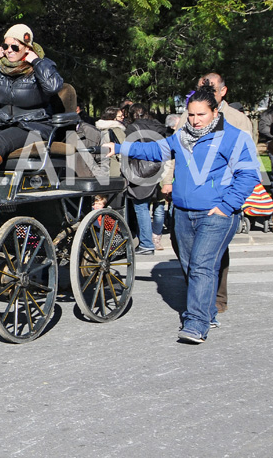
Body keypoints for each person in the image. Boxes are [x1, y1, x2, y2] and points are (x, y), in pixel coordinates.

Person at [104, 82, 260, 343]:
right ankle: (208, 311)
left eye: (201, 114)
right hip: (183, 213)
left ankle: (196, 324)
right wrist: (120, 148)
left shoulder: (234, 137)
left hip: (216, 214)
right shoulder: (182, 135)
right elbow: (155, 149)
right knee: (191, 266)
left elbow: (248, 175)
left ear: (215, 113)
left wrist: (226, 206)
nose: (196, 120)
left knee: (201, 266)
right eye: (191, 114)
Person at [163, 72, 256, 315]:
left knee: (213, 254)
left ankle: (215, 301)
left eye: (210, 88)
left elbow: (248, 162)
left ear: (223, 91)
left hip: (221, 197)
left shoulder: (238, 119)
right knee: (185, 248)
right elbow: (176, 148)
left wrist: (231, 201)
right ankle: (200, 298)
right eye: (197, 88)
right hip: (188, 194)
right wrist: (168, 180)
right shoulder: (190, 115)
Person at [0, 23, 64, 176]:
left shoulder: (42, 65)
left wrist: (36, 62)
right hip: (2, 122)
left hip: (33, 125)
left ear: (27, 48)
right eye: (6, 46)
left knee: (0, 142)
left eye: (15, 47)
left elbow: (53, 86)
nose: (9, 50)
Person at [123, 104, 167, 255]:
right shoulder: (159, 127)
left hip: (139, 170)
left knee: (141, 207)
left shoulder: (131, 128)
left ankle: (146, 243)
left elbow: (129, 150)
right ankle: (156, 236)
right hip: (158, 168)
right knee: (158, 204)